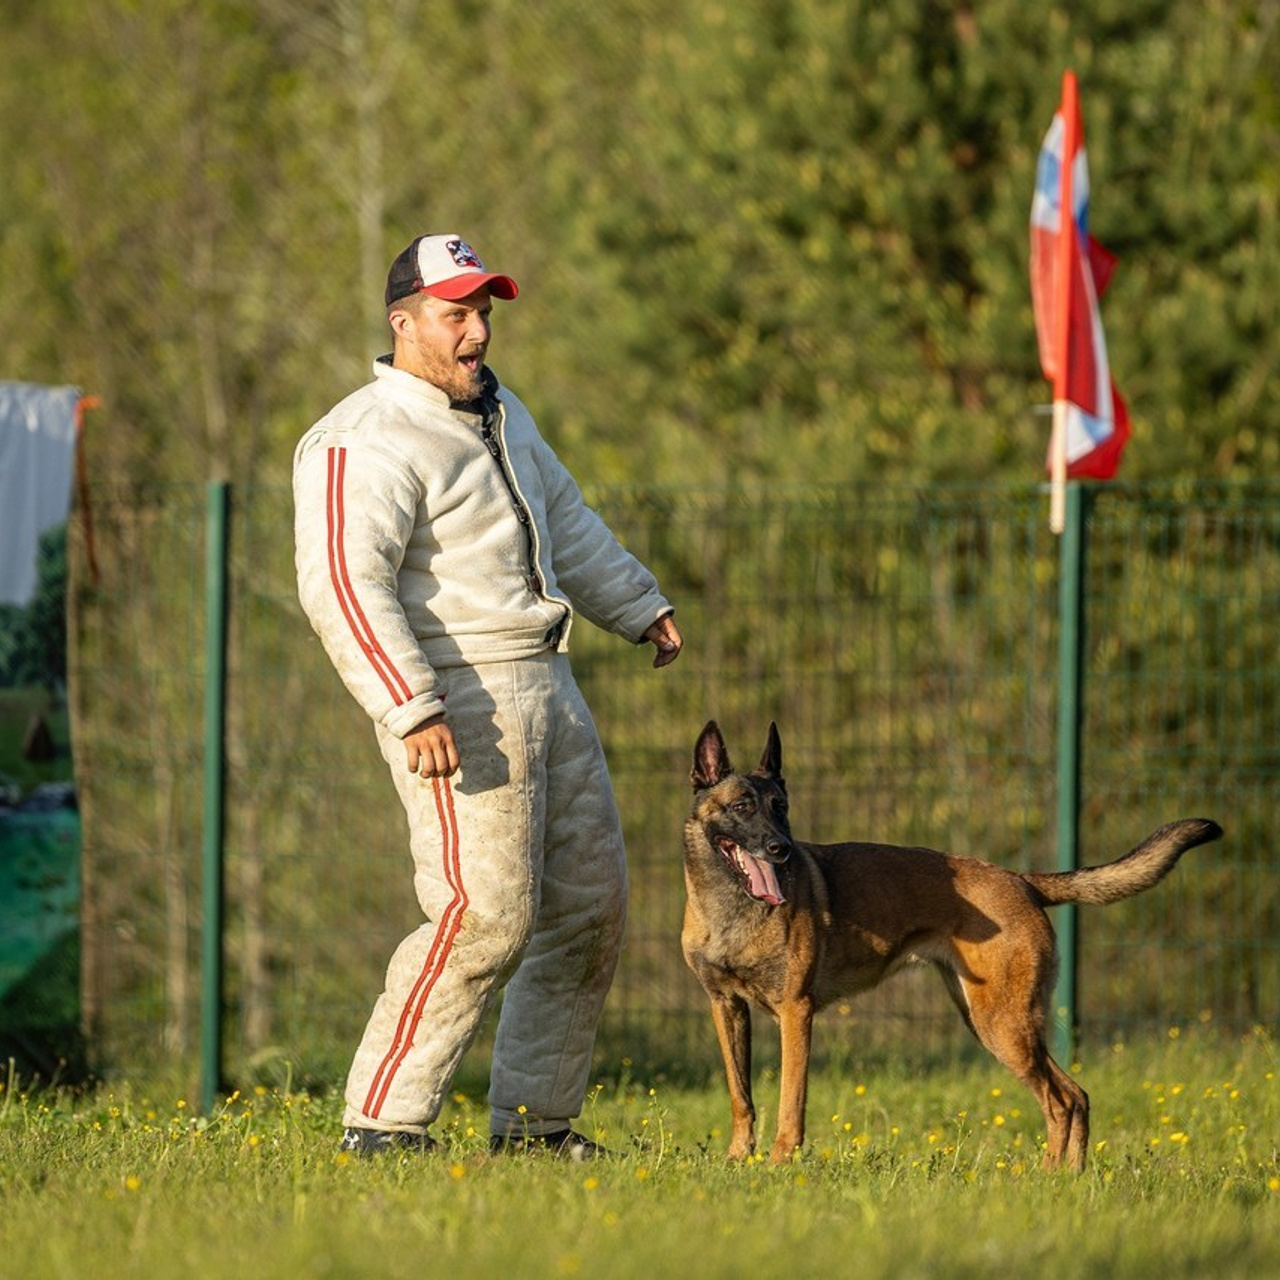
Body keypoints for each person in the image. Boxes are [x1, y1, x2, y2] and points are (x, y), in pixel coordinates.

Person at [293, 233, 683, 1160]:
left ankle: (537, 1127)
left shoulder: (504, 415)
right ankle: (381, 1124)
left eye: (485, 315)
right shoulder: (363, 436)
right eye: (455, 315)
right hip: (456, 694)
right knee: (483, 915)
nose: (477, 334)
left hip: (550, 680)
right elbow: (344, 583)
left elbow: (569, 523)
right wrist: (409, 701)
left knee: (590, 909)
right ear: (404, 323)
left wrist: (639, 606)